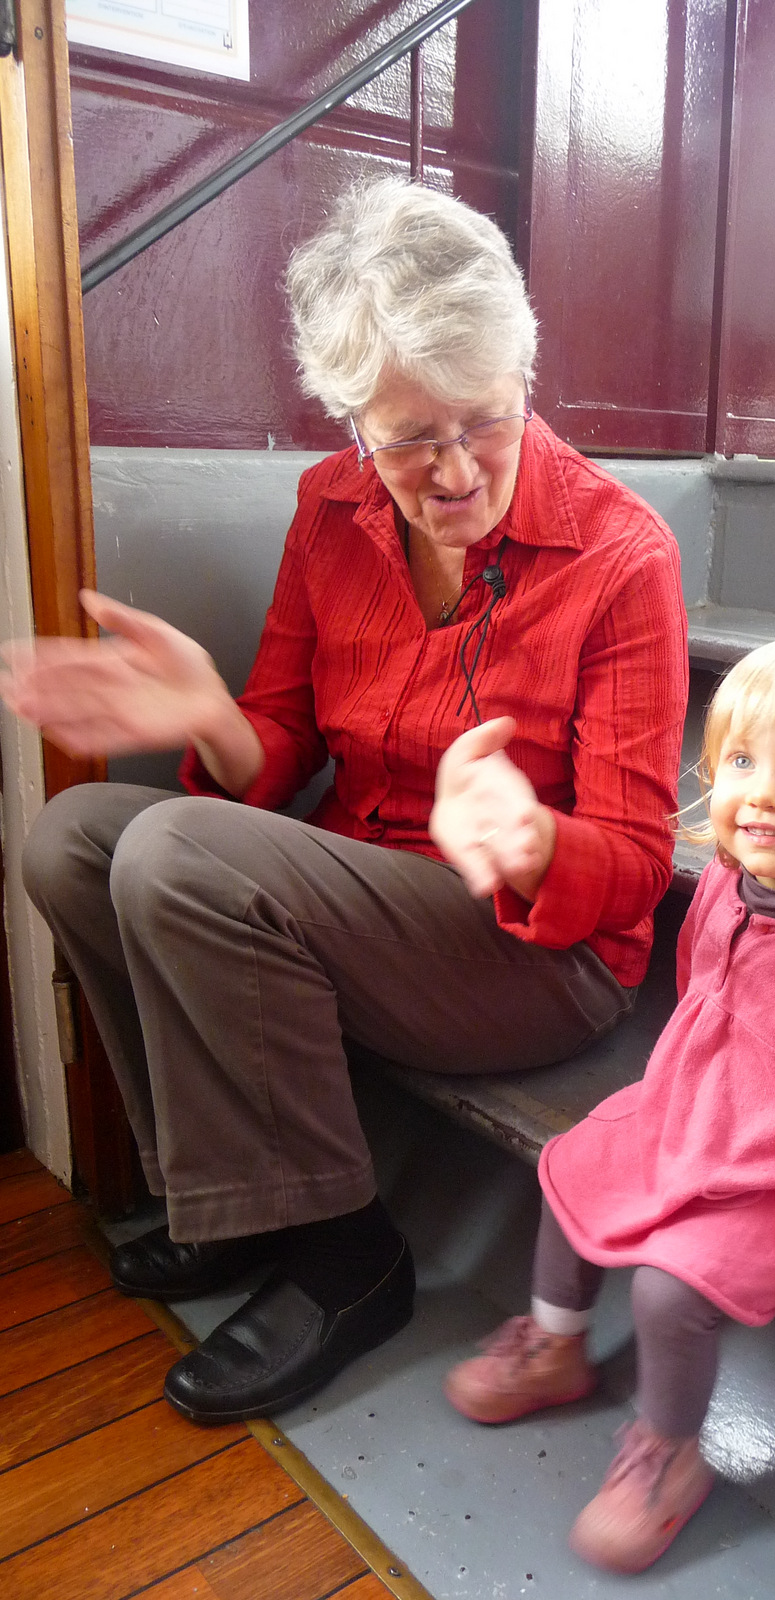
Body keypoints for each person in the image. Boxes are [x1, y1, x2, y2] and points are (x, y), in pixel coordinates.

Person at [1, 178, 688, 1424]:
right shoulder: (329, 509)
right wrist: (211, 718)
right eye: (408, 438)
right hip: (362, 894)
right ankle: (227, 1202)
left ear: (521, 374)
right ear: (352, 421)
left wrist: (531, 837)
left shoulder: (621, 552)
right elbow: (280, 748)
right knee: (74, 841)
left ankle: (344, 1254)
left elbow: (638, 862)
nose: (454, 470)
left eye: (483, 420)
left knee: (175, 851)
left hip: (533, 950)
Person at [444, 631, 775, 1574]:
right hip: (689, 1117)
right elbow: (697, 994)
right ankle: (555, 1344)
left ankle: (667, 1452)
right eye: (742, 761)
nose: (763, 793)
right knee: (571, 1170)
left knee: (671, 1289)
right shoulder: (723, 881)